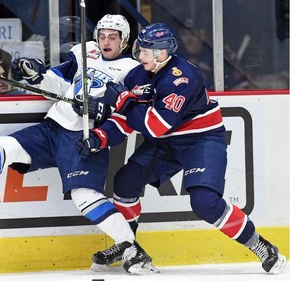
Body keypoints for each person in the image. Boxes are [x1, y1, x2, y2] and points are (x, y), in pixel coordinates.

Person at [0, 14, 158, 275]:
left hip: (83, 137)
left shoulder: (133, 69)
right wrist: (36, 74)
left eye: (112, 37)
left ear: (124, 41)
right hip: (54, 127)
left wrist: (103, 115)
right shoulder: (85, 52)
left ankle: (132, 248)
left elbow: (132, 114)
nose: (105, 40)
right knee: (6, 145)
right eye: (102, 35)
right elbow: (57, 82)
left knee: (84, 196)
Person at [77, 23, 288, 275]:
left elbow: (155, 126)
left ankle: (261, 246)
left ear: (162, 53)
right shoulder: (138, 75)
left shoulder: (182, 77)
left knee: (205, 202)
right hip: (166, 143)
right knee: (124, 183)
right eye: (139, 48)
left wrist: (123, 102)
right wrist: (101, 137)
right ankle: (128, 245)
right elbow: (126, 118)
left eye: (145, 51)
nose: (139, 55)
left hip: (201, 140)